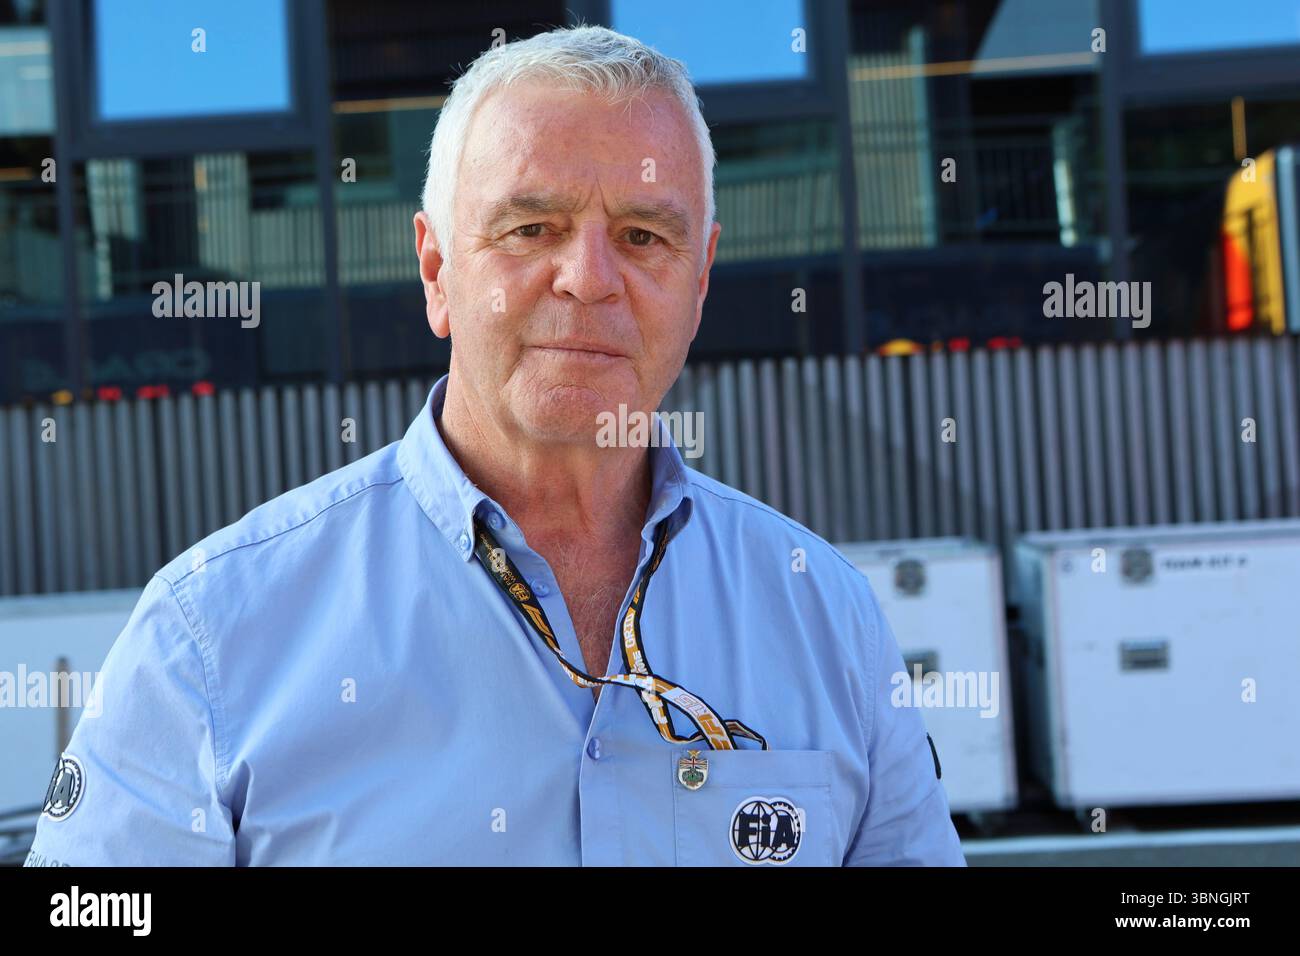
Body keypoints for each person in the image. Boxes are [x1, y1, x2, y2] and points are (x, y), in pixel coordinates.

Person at [25, 24, 965, 866]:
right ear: (437, 271)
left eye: (642, 235)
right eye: (531, 229)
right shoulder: (210, 640)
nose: (589, 279)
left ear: (701, 278)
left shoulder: (826, 616)